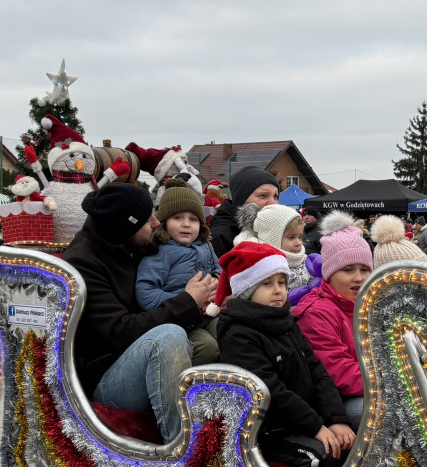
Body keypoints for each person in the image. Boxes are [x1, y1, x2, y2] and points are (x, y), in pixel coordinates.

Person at [62, 183, 217, 444]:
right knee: (169, 336)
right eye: (147, 220)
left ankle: (222, 423)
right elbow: (119, 332)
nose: (157, 222)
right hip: (105, 378)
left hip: (135, 357)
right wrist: (188, 301)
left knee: (220, 332)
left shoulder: (128, 243)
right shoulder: (83, 264)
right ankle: (181, 450)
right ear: (125, 227)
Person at [216, 242, 355, 467]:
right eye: (267, 284)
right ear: (248, 290)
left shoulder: (285, 322)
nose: (278, 290)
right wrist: (316, 427)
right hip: (267, 431)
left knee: (349, 440)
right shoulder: (239, 335)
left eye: (281, 282)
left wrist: (337, 420)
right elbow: (271, 391)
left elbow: (316, 372)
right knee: (321, 455)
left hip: (299, 420)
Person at [294, 212, 373, 429]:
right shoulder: (318, 312)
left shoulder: (370, 305)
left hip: (372, 384)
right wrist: (388, 379)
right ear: (329, 274)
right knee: (382, 412)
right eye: (348, 270)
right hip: (337, 401)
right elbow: (336, 371)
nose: (359, 278)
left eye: (365, 269)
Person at [135, 181, 221, 365]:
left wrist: (215, 287)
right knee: (207, 347)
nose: (186, 224)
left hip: (208, 313)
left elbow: (219, 271)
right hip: (178, 321)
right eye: (178, 218)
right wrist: (187, 299)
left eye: (193, 219)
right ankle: (188, 384)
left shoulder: (205, 245)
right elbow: (146, 293)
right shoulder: (159, 252)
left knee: (231, 332)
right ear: (164, 222)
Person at [235, 202, 316, 302]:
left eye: (300, 237)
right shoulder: (259, 264)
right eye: (291, 237)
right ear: (272, 238)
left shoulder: (305, 260)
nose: (298, 243)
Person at [208, 166, 280, 256]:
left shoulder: (279, 231)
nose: (273, 203)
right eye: (263, 195)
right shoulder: (219, 237)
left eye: (275, 196)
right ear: (241, 200)